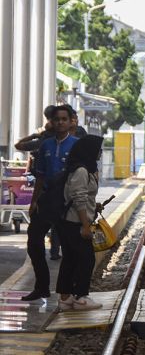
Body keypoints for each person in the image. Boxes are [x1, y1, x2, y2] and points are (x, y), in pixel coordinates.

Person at [22, 105, 79, 301]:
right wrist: (34, 201)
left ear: (70, 121)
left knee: (69, 247)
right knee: (33, 243)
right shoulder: (45, 145)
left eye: (64, 119)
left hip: (66, 202)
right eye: (57, 119)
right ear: (51, 122)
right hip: (46, 200)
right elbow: (40, 175)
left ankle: (67, 290)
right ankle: (42, 287)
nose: (60, 122)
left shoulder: (77, 144)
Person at [56, 135, 104, 311]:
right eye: (98, 149)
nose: (100, 152)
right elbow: (79, 199)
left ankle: (65, 298)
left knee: (70, 259)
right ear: (90, 150)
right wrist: (85, 225)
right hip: (74, 222)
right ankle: (81, 297)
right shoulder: (81, 171)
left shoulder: (84, 168)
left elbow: (83, 196)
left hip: (69, 221)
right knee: (86, 259)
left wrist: (94, 206)